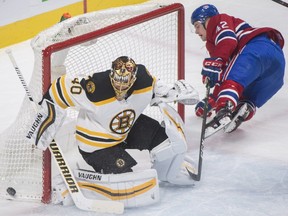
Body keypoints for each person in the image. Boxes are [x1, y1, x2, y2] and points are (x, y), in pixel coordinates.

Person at [28, 56, 199, 188]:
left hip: (126, 129)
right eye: (117, 81)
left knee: (164, 139)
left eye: (125, 82)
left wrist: (175, 91)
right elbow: (58, 89)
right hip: (97, 146)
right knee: (125, 180)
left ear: (133, 78)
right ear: (111, 75)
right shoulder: (94, 88)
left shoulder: (143, 81)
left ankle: (169, 170)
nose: (120, 87)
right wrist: (44, 121)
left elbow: (158, 87)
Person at [191, 4, 285, 135]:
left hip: (257, 48)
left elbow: (228, 40)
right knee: (246, 94)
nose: (196, 32)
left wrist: (216, 61)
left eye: (197, 26)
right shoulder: (216, 46)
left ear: (207, 20)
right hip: (276, 65)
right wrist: (211, 99)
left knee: (233, 80)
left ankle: (225, 108)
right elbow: (224, 73)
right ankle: (244, 108)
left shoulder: (217, 20)